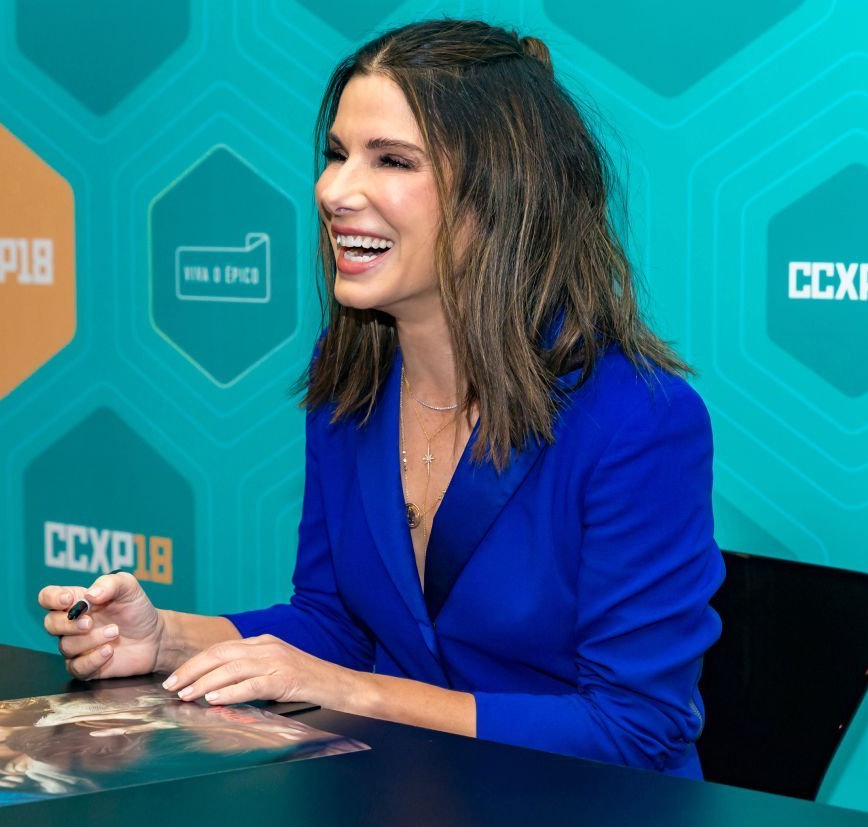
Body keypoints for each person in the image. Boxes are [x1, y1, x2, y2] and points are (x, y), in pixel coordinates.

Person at [39, 19, 724, 779]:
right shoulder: (349, 375)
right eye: (335, 154)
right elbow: (334, 622)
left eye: (392, 160)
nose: (334, 190)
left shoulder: (638, 418)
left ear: (502, 194)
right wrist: (165, 639)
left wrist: (355, 693)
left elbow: (634, 729)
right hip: (410, 801)